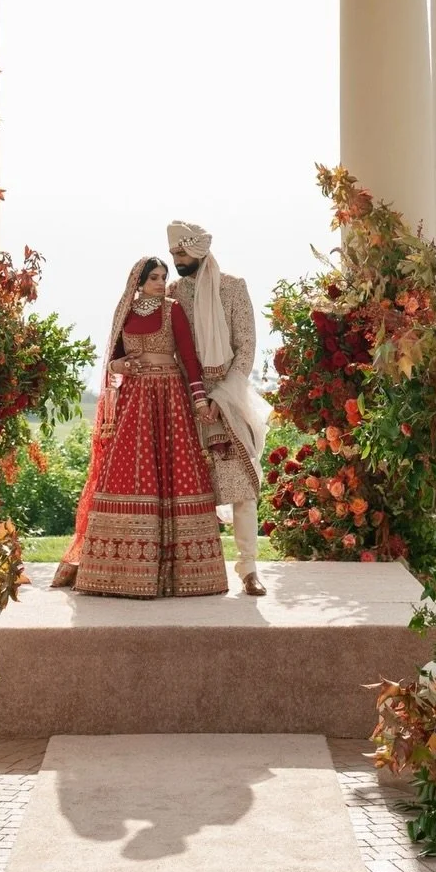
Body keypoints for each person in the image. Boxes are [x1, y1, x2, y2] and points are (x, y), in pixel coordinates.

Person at [52, 257, 228, 598]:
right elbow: (112, 363)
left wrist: (200, 400)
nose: (161, 282)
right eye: (154, 278)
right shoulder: (126, 313)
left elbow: (189, 359)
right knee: (130, 472)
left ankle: (182, 575)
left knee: (176, 475)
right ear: (139, 282)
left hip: (170, 400)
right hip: (134, 403)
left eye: (163, 277)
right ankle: (121, 574)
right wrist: (121, 365)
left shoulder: (172, 310)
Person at [166, 220, 271, 597]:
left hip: (228, 399)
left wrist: (220, 396)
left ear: (198, 250)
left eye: (181, 252)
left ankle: (248, 569)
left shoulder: (232, 288)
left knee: (241, 488)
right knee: (192, 491)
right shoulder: (172, 294)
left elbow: (246, 348)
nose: (176, 259)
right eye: (173, 253)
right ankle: (198, 570)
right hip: (185, 401)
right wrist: (194, 396)